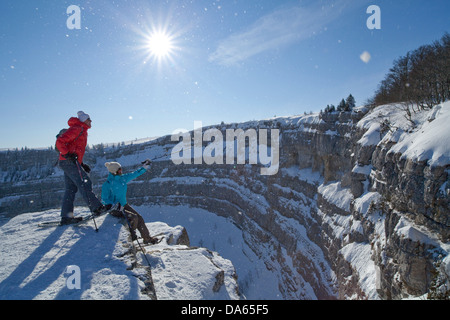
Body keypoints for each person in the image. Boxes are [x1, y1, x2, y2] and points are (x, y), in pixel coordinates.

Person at [56, 111, 110, 225]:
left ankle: (66, 217)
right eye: (89, 119)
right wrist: (67, 154)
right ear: (84, 120)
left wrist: (81, 164)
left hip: (68, 162)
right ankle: (97, 208)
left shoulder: (81, 129)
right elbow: (60, 142)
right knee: (84, 183)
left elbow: (74, 149)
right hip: (68, 162)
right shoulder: (77, 128)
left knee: (70, 189)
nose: (91, 121)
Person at [101, 160, 159, 244]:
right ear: (114, 171)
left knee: (139, 218)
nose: (121, 171)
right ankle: (131, 236)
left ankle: (147, 238)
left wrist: (144, 167)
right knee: (134, 218)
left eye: (121, 169)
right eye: (119, 170)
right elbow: (104, 199)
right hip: (114, 209)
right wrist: (114, 206)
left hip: (124, 205)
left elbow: (134, 174)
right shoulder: (107, 184)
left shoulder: (122, 178)